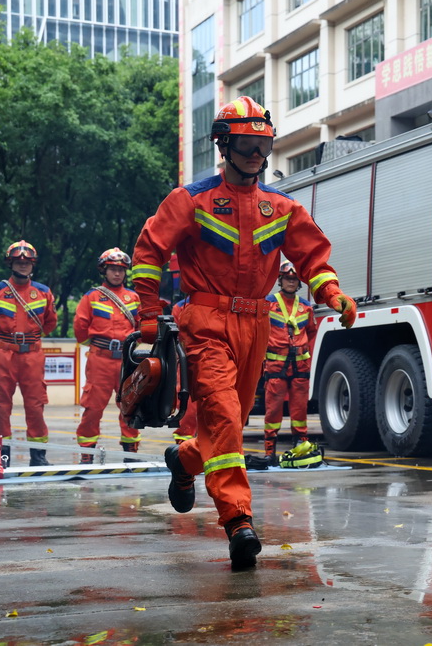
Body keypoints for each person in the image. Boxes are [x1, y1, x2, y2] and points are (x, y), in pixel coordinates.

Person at [131, 96, 357, 570]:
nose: (256, 154)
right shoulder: (189, 200)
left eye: (264, 144)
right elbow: (149, 253)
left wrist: (332, 293)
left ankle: (185, 461)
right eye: (247, 144)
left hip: (257, 324)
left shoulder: (283, 208)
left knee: (221, 424)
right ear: (223, 144)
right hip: (205, 323)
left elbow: (312, 257)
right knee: (226, 415)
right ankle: (239, 522)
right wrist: (148, 318)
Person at [0, 240, 58, 467]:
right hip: (4, 354)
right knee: (1, 405)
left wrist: (28, 340)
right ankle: (2, 457)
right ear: (10, 263)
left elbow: (50, 322)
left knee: (35, 405)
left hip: (33, 354)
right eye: (18, 261)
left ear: (33, 264)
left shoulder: (43, 292)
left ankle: (38, 456)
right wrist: (5, 342)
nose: (23, 265)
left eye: (27, 262)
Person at [73, 248, 141, 463]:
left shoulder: (134, 298)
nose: (117, 274)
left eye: (121, 269)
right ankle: (87, 453)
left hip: (127, 360)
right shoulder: (91, 297)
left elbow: (142, 327)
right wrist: (97, 347)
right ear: (104, 270)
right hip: (100, 359)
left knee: (130, 405)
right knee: (93, 407)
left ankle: (130, 453)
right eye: (112, 269)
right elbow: (80, 328)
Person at [262, 262, 318, 462]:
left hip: (300, 366)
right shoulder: (268, 304)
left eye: (294, 280)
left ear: (299, 283)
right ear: (280, 280)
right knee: (273, 408)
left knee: (299, 409)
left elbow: (310, 332)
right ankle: (270, 450)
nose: (291, 282)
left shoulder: (306, 307)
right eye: (287, 279)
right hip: (276, 365)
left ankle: (300, 445)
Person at [170, 294, 197, 445]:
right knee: (188, 405)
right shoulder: (180, 307)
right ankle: (182, 447)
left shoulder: (215, 301)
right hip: (188, 360)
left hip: (213, 358)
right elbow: (176, 339)